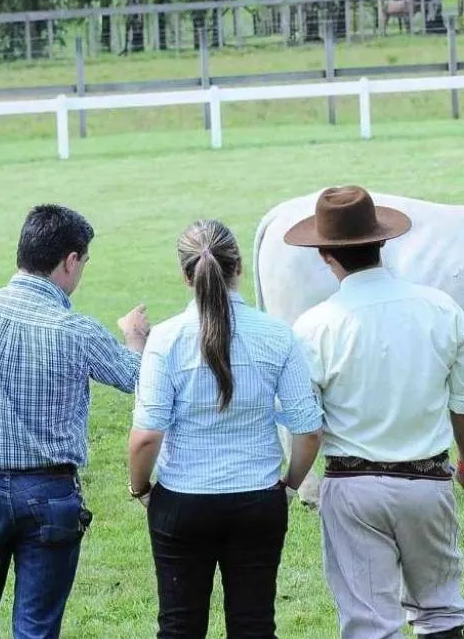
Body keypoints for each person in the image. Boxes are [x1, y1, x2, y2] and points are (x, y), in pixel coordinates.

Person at [0, 203, 149, 639]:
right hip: (49, 491)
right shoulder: (74, 329)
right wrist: (135, 337)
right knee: (37, 629)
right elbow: (136, 379)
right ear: (70, 261)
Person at [286, 186, 464, 639]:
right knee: (441, 610)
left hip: (351, 487)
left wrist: (290, 483)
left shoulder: (314, 326)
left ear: (324, 255)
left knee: (369, 623)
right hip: (427, 482)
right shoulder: (441, 308)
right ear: (382, 242)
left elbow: (308, 426)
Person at [127, 219, 325, 639]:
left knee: (179, 625)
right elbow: (308, 430)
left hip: (182, 499)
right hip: (257, 498)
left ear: (185, 277)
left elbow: (147, 435)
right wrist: (289, 484)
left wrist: (141, 488)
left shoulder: (164, 339)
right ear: (237, 269)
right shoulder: (276, 335)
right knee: (253, 624)